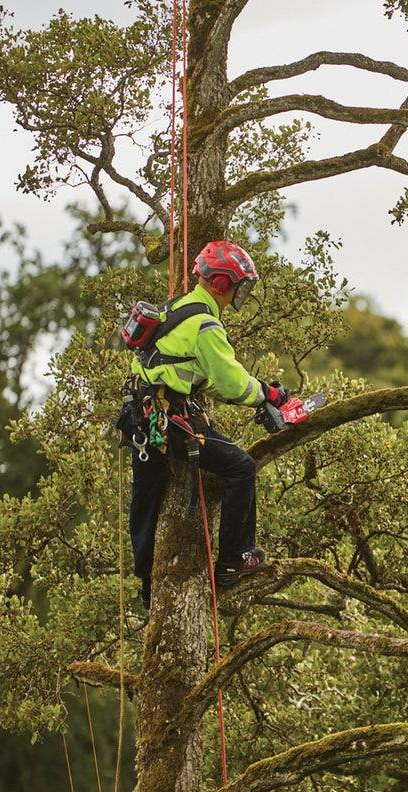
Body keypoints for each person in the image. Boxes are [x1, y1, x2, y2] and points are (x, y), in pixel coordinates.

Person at [123, 241, 289, 608]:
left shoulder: (178, 307)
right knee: (241, 467)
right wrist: (268, 394)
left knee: (147, 497)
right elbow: (231, 383)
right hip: (168, 418)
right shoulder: (206, 325)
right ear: (221, 283)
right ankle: (233, 558)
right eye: (239, 286)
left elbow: (198, 374)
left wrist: (259, 393)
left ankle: (148, 584)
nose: (240, 294)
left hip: (140, 415)